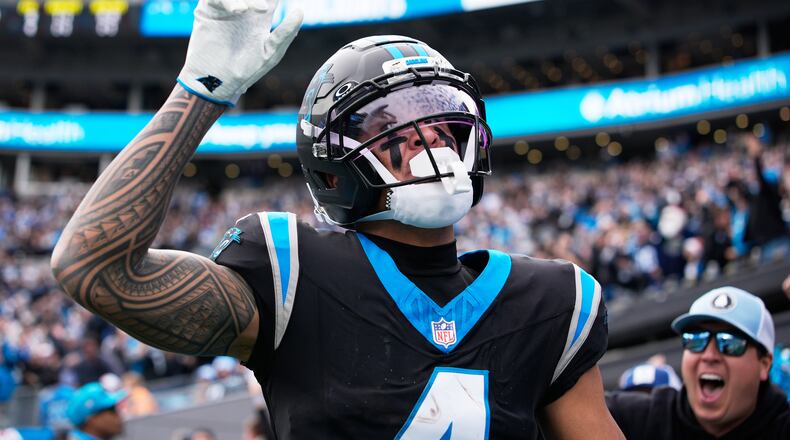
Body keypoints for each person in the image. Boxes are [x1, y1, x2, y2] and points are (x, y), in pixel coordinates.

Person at [50, 0, 622, 438]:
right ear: (332, 168)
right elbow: (93, 268)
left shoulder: (553, 300)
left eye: (440, 118)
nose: (430, 139)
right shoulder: (293, 273)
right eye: (392, 123)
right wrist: (201, 91)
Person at [606, 286, 790, 438]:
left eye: (729, 343)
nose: (709, 355)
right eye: (695, 339)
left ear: (764, 364)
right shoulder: (649, 418)